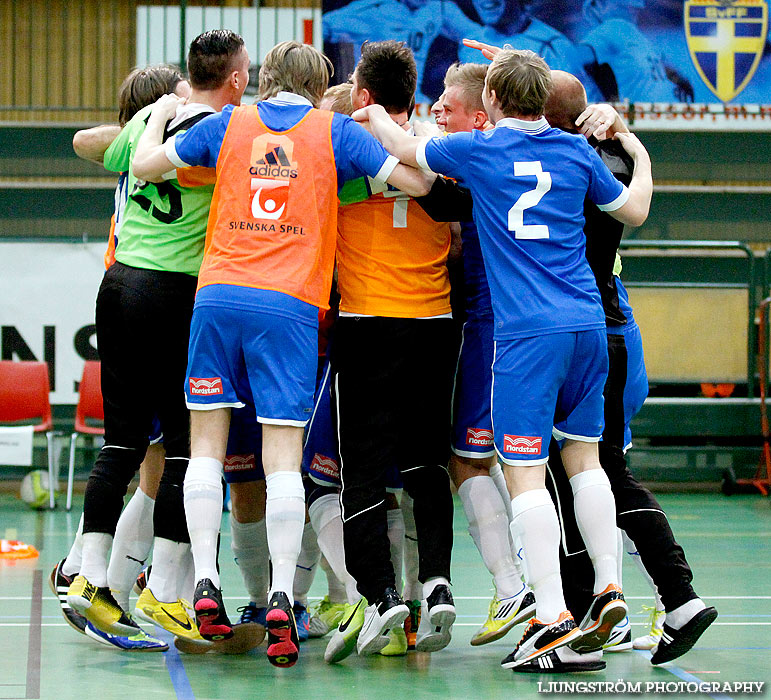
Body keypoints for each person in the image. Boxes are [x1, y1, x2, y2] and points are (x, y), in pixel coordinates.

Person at [131, 40, 432, 668]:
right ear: (320, 89)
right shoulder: (335, 132)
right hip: (291, 308)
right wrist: (377, 124)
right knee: (284, 458)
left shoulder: (228, 123)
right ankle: (278, 597)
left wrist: (162, 113)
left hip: (218, 296)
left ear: (265, 80)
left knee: (207, 447)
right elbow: (418, 181)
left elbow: (148, 166)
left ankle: (207, 580)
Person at [354, 46, 653, 668]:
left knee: (522, 475)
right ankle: (608, 586)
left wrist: (374, 117)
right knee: (586, 463)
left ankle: (549, 615)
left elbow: (406, 150)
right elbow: (636, 209)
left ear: (490, 102)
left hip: (527, 337)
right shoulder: (576, 152)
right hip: (587, 326)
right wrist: (639, 148)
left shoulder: (479, 151)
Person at [66, 30, 251, 643]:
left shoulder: (153, 114)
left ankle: (89, 577)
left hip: (119, 283)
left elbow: (103, 150)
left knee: (120, 444)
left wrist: (156, 111)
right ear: (233, 77)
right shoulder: (227, 131)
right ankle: (168, 588)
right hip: (175, 291)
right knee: (186, 449)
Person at [536, 74, 716, 670]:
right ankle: (592, 611)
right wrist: (633, 142)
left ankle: (679, 596)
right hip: (610, 332)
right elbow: (635, 189)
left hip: (590, 337)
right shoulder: (609, 157)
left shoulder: (561, 167)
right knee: (574, 480)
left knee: (602, 471)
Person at [322, 40, 457, 663]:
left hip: (368, 317)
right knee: (429, 462)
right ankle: (436, 585)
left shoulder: (344, 142)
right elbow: (455, 231)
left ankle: (379, 596)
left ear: (366, 93)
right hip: (434, 317)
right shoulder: (439, 145)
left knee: (365, 469)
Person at [431, 62, 537, 647]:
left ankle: (512, 586)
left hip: (494, 329)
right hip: (538, 326)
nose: (436, 110)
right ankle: (559, 594)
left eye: (448, 102)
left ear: (482, 114)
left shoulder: (476, 157)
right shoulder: (542, 152)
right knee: (526, 463)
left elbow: (413, 163)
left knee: (470, 461)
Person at [323, 0, 484, 103]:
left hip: (414, 100)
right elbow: (321, 26)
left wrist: (472, 58)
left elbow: (474, 34)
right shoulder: (371, 9)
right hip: (375, 97)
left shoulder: (437, 8)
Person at [577, 0, 693, 102]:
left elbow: (665, 67)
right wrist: (610, 96)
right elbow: (583, 59)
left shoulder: (634, 34)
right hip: (635, 117)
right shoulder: (611, 28)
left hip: (651, 117)